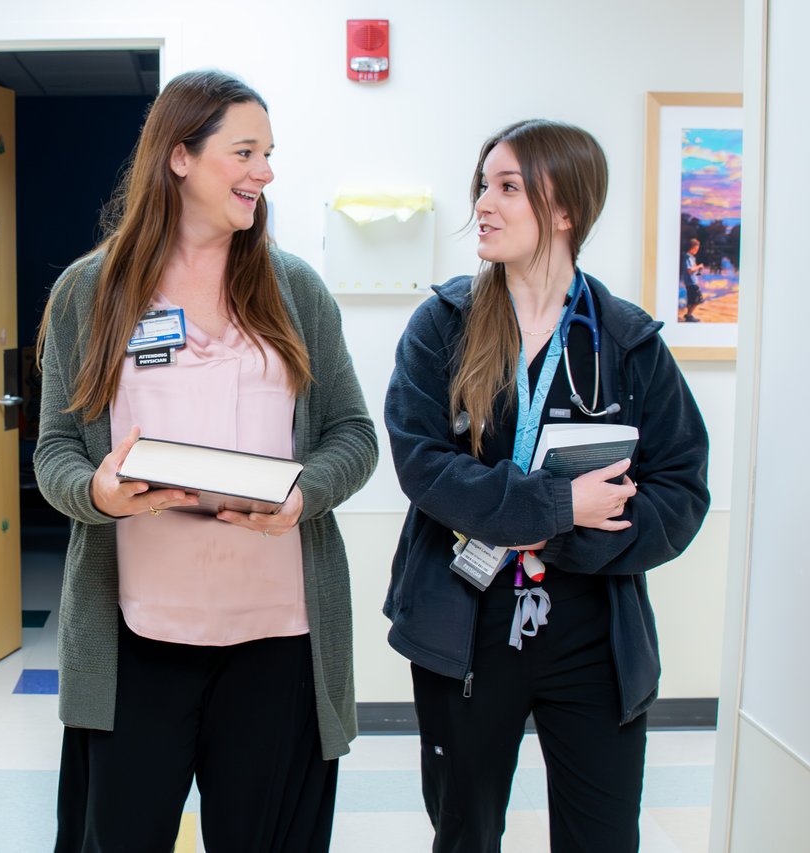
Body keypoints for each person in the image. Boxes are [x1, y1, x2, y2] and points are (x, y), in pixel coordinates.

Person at [34, 69, 378, 852]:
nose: (265, 171)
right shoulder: (91, 292)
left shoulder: (296, 290)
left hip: (278, 637)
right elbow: (55, 449)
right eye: (245, 151)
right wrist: (98, 490)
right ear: (179, 157)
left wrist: (303, 494)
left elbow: (354, 435)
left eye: (268, 153)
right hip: (137, 638)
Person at [383, 119, 709, 852]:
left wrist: (565, 542)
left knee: (602, 837)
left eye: (508, 188)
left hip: (592, 631)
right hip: (466, 621)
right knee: (465, 832)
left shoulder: (626, 343)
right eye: (483, 185)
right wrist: (559, 506)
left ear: (565, 211)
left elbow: (682, 489)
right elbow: (424, 465)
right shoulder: (443, 327)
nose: (483, 205)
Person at [681, 237, 705, 322]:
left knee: (692, 299)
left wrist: (697, 268)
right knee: (697, 299)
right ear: (691, 248)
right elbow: (690, 270)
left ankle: (688, 315)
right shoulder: (688, 257)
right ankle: (689, 315)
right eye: (695, 249)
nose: (696, 251)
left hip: (692, 281)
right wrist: (699, 266)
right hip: (691, 282)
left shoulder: (691, 257)